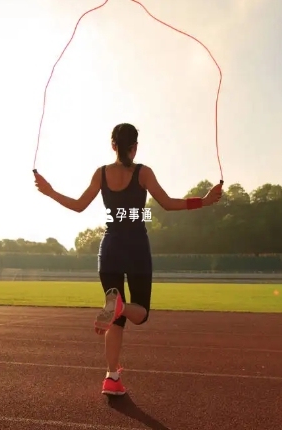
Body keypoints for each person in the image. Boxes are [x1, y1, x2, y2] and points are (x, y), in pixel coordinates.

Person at [33, 123, 223, 396]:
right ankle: (120, 307)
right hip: (136, 250)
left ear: (113, 146)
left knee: (115, 320)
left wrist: (50, 191)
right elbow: (168, 204)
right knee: (140, 313)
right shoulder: (143, 173)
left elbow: (78, 206)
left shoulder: (100, 174)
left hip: (109, 250)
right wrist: (203, 202)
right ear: (135, 147)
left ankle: (111, 378)